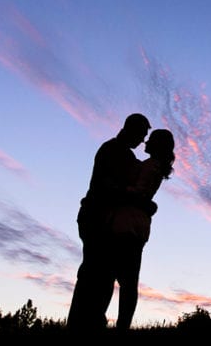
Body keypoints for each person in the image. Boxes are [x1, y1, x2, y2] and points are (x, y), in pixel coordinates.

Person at [66, 112, 152, 331]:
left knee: (104, 275)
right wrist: (141, 202)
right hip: (95, 218)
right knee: (93, 273)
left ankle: (91, 322)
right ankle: (80, 323)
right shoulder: (112, 150)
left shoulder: (126, 155)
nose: (142, 141)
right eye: (141, 135)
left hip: (105, 220)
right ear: (130, 129)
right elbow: (108, 187)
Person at [109, 128, 175, 330]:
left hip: (128, 224)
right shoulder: (153, 166)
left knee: (125, 280)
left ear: (157, 145)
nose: (145, 141)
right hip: (137, 225)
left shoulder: (150, 165)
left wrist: (117, 189)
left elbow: (139, 193)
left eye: (151, 139)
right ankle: (123, 326)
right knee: (128, 280)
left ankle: (122, 326)